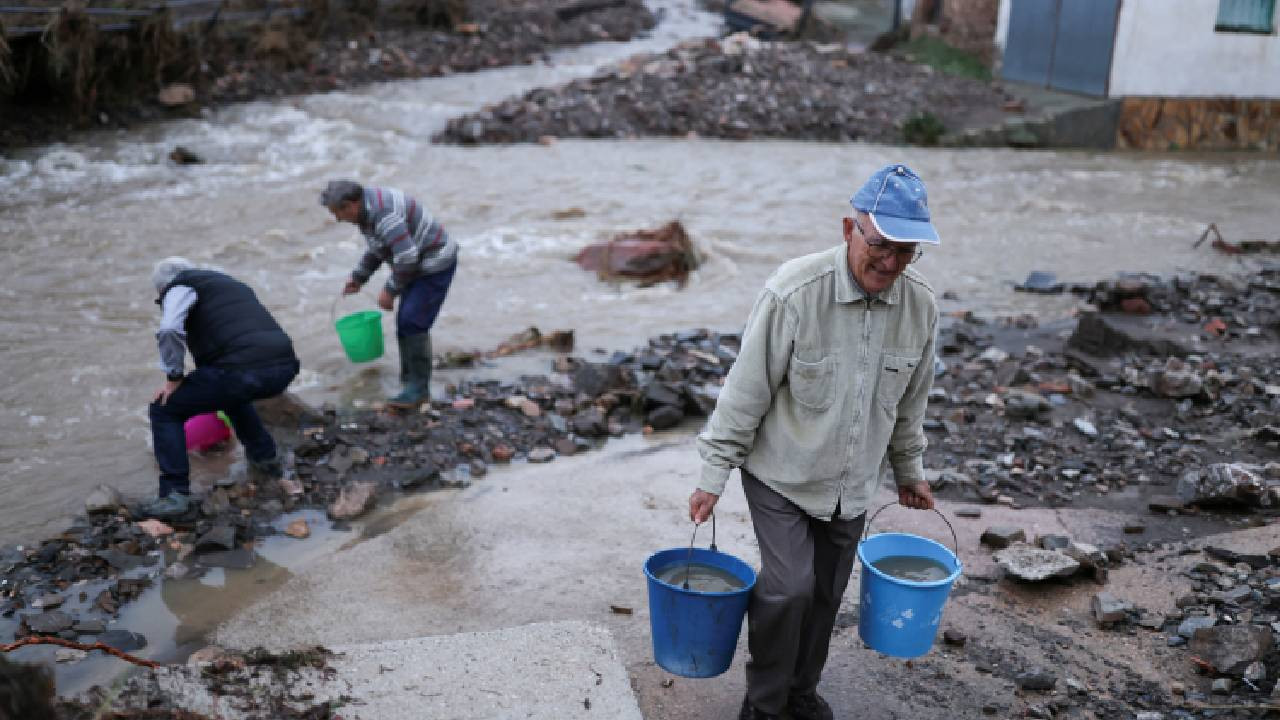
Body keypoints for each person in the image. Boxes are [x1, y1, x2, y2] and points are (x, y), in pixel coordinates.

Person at [689, 164, 942, 720]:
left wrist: (909, 471)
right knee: (788, 590)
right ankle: (764, 703)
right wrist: (714, 474)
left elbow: (910, 403)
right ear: (849, 229)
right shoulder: (793, 292)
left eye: (907, 251)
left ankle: (801, 691)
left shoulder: (920, 307)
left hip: (851, 484)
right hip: (780, 472)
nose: (892, 262)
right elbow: (744, 392)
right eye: (881, 244)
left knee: (827, 595)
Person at [146, 258, 300, 518]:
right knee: (230, 394)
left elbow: (170, 328)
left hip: (242, 371)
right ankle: (266, 461)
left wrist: (174, 377)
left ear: (163, 288)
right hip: (284, 366)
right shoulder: (228, 282)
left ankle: (175, 495)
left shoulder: (179, 287)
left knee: (164, 408)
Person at [320, 180, 458, 408]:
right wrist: (358, 278)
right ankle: (410, 380)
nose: (337, 219)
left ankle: (418, 390)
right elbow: (378, 248)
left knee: (413, 321)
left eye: (337, 213)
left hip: (434, 261)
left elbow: (407, 257)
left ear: (350, 205)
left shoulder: (383, 214)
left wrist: (389, 291)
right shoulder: (366, 210)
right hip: (417, 263)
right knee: (406, 321)